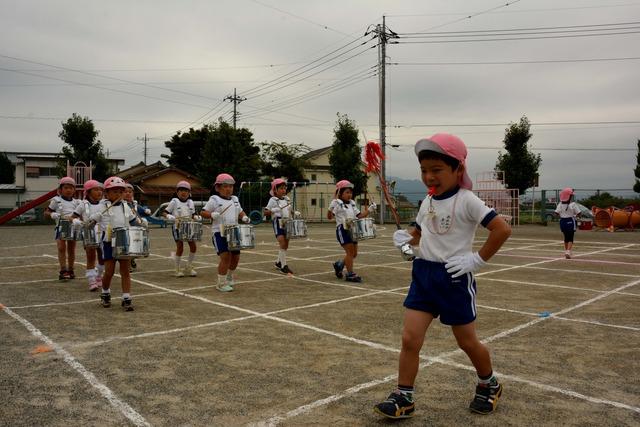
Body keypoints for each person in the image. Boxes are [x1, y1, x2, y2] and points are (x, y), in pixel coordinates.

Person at [374, 133, 511, 419]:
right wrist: (405, 239)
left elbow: (501, 229)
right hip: (424, 276)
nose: (429, 177)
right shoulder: (428, 201)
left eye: (437, 170)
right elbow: (419, 235)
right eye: (424, 170)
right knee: (410, 339)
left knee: (467, 342)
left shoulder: (468, 200)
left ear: (458, 169)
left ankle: (489, 383)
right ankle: (404, 396)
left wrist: (476, 259)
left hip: (454, 278)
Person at [90, 176, 142, 311]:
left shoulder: (126, 206)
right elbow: (90, 223)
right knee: (109, 272)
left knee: (125, 271)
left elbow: (133, 221)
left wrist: (141, 222)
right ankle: (105, 292)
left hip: (124, 240)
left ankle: (126, 297)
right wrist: (94, 218)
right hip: (108, 242)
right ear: (106, 193)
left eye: (120, 191)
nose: (118, 194)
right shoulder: (102, 206)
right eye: (114, 191)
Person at [200, 173, 250, 292]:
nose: (229, 189)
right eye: (225, 186)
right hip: (219, 232)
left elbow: (240, 211)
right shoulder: (214, 199)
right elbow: (203, 212)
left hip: (234, 231)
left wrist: (244, 217)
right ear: (218, 188)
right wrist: (211, 214)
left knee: (236, 257)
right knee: (225, 257)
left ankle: (229, 276)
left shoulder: (235, 199)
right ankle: (221, 283)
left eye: (231, 186)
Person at [327, 180, 374, 283]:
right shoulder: (337, 203)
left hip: (353, 229)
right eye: (347, 192)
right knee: (350, 252)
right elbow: (329, 217)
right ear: (340, 193)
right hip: (342, 229)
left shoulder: (352, 203)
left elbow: (359, 216)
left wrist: (370, 209)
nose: (349, 194)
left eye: (350, 192)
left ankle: (339, 265)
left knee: (354, 254)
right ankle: (350, 274)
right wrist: (331, 208)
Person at [44, 176, 81, 280]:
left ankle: (71, 269)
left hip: (73, 227)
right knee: (61, 248)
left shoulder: (77, 202)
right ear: (60, 189)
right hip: (60, 227)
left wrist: (79, 220)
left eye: (71, 188)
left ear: (74, 190)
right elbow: (46, 213)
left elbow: (80, 215)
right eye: (66, 187)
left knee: (71, 249)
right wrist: (52, 214)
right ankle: (63, 270)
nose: (69, 190)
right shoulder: (56, 200)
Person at [72, 179, 105, 291]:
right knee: (91, 256)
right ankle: (91, 280)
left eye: (100, 190)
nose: (99, 192)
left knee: (103, 257)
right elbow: (72, 217)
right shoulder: (82, 204)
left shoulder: (104, 204)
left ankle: (99, 276)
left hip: (103, 232)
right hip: (89, 232)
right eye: (96, 190)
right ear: (88, 191)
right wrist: (75, 221)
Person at [163, 181, 201, 277]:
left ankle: (189, 265)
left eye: (186, 191)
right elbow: (164, 212)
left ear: (189, 193)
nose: (184, 193)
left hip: (189, 227)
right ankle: (177, 268)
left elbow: (193, 214)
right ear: (177, 192)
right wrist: (169, 216)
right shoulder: (174, 201)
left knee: (193, 247)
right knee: (180, 247)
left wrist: (196, 217)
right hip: (177, 227)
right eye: (181, 190)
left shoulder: (190, 202)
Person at [264, 178, 300, 275]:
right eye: (281, 188)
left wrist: (294, 212)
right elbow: (265, 212)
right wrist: (273, 210)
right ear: (275, 190)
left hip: (287, 221)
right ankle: (284, 266)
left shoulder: (287, 199)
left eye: (285, 188)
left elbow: (289, 209)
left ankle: (278, 262)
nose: (284, 190)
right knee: (282, 243)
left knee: (286, 245)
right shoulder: (273, 200)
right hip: (278, 222)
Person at [123, 183, 150, 271]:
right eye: (125, 192)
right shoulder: (121, 204)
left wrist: (146, 210)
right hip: (126, 226)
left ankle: (132, 259)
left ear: (133, 194)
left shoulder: (134, 204)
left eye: (130, 192)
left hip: (135, 227)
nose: (128, 193)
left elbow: (142, 210)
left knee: (134, 246)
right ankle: (129, 264)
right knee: (127, 245)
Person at [555, 187, 581, 259]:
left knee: (566, 237)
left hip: (562, 221)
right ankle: (568, 251)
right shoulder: (573, 204)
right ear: (569, 196)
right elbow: (579, 213)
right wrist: (576, 216)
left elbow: (556, 213)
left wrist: (562, 215)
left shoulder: (560, 204)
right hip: (570, 221)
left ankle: (566, 251)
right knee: (570, 237)